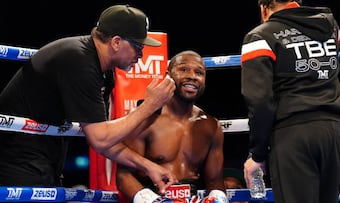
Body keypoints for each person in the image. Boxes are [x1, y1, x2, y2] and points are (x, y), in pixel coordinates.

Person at [0, 4, 177, 192]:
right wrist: (150, 105)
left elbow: (106, 139)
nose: (141, 55)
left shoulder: (104, 71)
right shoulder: (79, 62)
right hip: (17, 151)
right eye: (138, 46)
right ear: (116, 42)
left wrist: (147, 166)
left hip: (49, 151)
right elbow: (100, 138)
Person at [240, 0, 340, 203]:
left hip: (292, 135)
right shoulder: (332, 27)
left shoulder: (260, 36)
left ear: (263, 8)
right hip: (332, 132)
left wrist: (258, 155)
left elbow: (259, 101)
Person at [116, 50, 228, 203]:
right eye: (183, 69)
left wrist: (218, 199)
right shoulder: (145, 118)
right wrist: (152, 201)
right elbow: (124, 175)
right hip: (152, 195)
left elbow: (214, 181)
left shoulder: (211, 126)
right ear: (168, 75)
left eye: (199, 72)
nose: (192, 76)